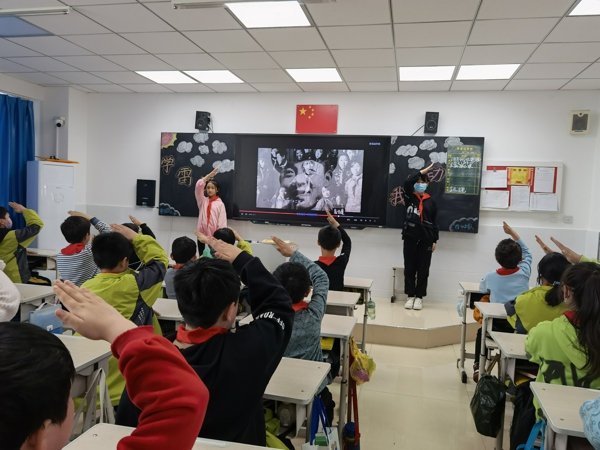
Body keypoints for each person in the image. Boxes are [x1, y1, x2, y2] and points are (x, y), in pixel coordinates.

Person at [116, 235, 294, 446]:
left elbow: (125, 427)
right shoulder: (251, 349)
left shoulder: (148, 361)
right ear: (230, 311)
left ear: (181, 305)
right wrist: (243, 260)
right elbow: (279, 305)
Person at [0, 279, 208, 450]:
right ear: (39, 437)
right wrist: (118, 328)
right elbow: (184, 397)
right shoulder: (134, 282)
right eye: (68, 395)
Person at [83, 224, 168, 406]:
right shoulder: (136, 285)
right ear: (124, 261)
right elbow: (160, 261)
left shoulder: (86, 288)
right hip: (127, 384)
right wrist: (136, 237)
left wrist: (144, 307)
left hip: (91, 383)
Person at [272, 236, 336, 425]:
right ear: (308, 291)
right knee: (328, 404)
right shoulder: (313, 316)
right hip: (312, 389)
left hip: (272, 388)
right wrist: (293, 254)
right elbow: (322, 278)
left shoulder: (265, 317)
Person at [526, 263, 600, 418]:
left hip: (550, 420)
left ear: (566, 291)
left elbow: (530, 352)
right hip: (595, 427)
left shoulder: (544, 332)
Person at [473, 222, 532, 381]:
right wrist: (512, 232)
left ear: (497, 258)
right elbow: (528, 251)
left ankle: (478, 365)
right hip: (518, 328)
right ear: (520, 259)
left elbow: (482, 289)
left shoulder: (491, 276)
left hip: (495, 327)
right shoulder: (525, 272)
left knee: (480, 333)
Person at [401, 163, 439, 311]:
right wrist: (422, 172)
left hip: (426, 239)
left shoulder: (432, 201)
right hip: (410, 237)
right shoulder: (409, 197)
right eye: (417, 182)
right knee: (409, 267)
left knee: (423, 269)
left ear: (427, 184)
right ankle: (410, 296)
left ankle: (419, 297)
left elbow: (435, 222)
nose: (419, 184)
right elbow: (407, 182)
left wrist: (435, 239)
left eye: (423, 182)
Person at [505, 252, 570, 334]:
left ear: (540, 276)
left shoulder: (522, 300)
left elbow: (513, 320)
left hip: (525, 342)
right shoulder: (571, 304)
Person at [57, 210, 112, 287]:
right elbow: (108, 231)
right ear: (87, 236)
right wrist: (88, 217)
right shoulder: (89, 251)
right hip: (90, 291)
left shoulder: (60, 256)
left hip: (70, 292)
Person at [272, 148, 338, 211]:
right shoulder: (297, 178)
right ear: (303, 166)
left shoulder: (320, 178)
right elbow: (289, 189)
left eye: (312, 163)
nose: (310, 166)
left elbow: (327, 192)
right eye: (307, 163)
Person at [0, 202, 43, 284]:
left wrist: (20, 249)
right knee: (47, 283)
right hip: (13, 279)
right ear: (2, 221)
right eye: (8, 217)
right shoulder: (13, 236)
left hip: (1, 281)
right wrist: (24, 210)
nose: (9, 219)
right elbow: (37, 225)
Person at [315, 210, 351, 292]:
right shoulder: (341, 262)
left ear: (318, 242)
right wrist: (336, 223)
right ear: (339, 244)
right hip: (338, 300)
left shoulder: (312, 266)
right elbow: (347, 242)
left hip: (319, 300)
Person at [195, 167, 226, 253]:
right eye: (208, 188)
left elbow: (222, 222)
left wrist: (219, 236)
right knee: (201, 256)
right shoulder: (202, 201)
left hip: (214, 237)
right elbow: (198, 187)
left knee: (214, 256)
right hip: (201, 234)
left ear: (217, 190)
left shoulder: (220, 204)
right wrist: (208, 176)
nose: (210, 190)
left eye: (212, 188)